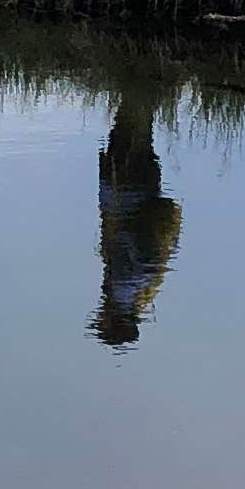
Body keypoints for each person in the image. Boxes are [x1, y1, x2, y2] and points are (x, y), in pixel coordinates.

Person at [93, 91, 184, 344]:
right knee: (133, 122)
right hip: (126, 187)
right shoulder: (125, 289)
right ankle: (141, 78)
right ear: (115, 320)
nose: (100, 316)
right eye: (103, 323)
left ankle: (141, 82)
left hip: (138, 188)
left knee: (138, 126)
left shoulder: (141, 292)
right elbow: (122, 237)